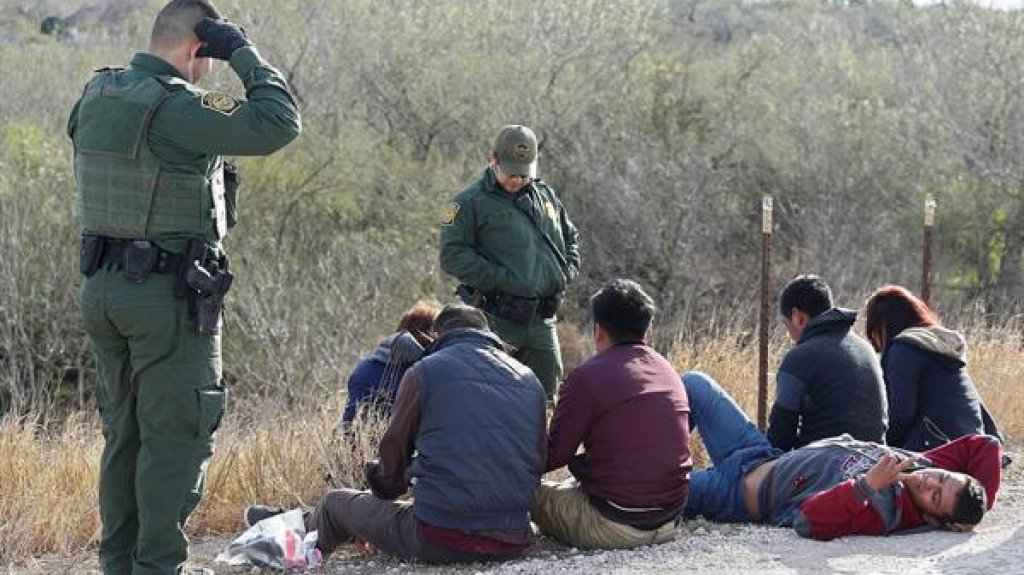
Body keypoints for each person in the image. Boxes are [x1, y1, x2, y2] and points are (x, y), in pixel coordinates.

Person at [67, 2, 301, 574]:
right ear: (198, 47)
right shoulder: (175, 107)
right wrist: (243, 52)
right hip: (165, 299)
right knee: (176, 437)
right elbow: (279, 121)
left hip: (104, 291)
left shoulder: (97, 97)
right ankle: (157, 568)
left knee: (125, 436)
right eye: (210, 57)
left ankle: (119, 564)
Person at [246, 304, 548, 563]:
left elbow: (391, 468)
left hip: (441, 537)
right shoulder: (530, 379)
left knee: (336, 503)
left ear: (438, 335)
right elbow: (536, 464)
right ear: (489, 335)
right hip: (513, 539)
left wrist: (378, 494)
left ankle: (288, 541)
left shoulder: (423, 371)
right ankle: (291, 522)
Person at [680, 371, 1002, 540]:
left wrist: (868, 485)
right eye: (943, 478)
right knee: (692, 384)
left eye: (935, 497)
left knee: (650, 486)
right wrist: (977, 507)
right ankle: (667, 457)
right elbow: (985, 445)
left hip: (738, 493)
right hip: (759, 454)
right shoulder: (921, 467)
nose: (930, 481)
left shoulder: (883, 512)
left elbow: (807, 522)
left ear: (933, 519)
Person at [532, 279, 692, 550]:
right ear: (647, 329)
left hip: (614, 525)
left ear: (598, 331)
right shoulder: (667, 370)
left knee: (524, 489)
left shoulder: (587, 376)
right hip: (669, 521)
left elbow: (551, 456)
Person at [440, 124, 581, 398]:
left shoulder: (546, 196)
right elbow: (452, 256)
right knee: (490, 400)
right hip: (497, 320)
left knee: (546, 401)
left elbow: (570, 236)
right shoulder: (467, 203)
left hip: (542, 321)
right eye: (510, 172)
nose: (516, 180)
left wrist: (566, 271)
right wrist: (504, 280)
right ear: (493, 159)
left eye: (523, 173)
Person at [864, 285, 1003, 451]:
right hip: (973, 446)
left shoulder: (904, 350)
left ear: (882, 326)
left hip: (938, 451)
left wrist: (878, 446)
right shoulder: (938, 346)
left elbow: (901, 415)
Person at [768, 274, 888, 450]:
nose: (790, 336)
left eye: (787, 326)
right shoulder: (865, 349)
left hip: (824, 465)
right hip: (874, 461)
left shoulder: (800, 357)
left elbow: (780, 438)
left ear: (798, 317)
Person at [337, 299, 440, 432]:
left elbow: (349, 424)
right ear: (429, 336)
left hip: (353, 446)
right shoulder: (422, 372)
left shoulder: (365, 367)